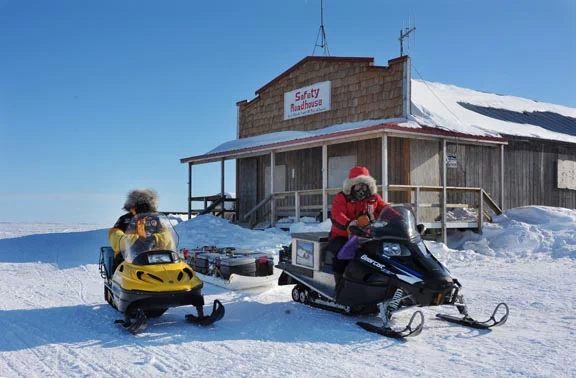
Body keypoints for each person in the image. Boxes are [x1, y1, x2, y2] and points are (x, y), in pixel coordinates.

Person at [328, 166, 388, 280]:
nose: (362, 189)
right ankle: (340, 285)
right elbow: (337, 214)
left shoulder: (374, 198)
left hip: (368, 236)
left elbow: (386, 209)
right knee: (342, 254)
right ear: (351, 185)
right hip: (342, 235)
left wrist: (401, 218)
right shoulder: (342, 197)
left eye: (365, 185)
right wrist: (349, 224)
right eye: (359, 185)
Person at [108, 188, 159, 273]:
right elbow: (114, 234)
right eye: (140, 205)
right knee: (120, 266)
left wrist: (157, 238)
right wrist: (129, 239)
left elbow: (165, 234)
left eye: (145, 205)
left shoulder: (154, 220)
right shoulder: (124, 219)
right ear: (133, 205)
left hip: (152, 255)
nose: (142, 208)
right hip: (128, 255)